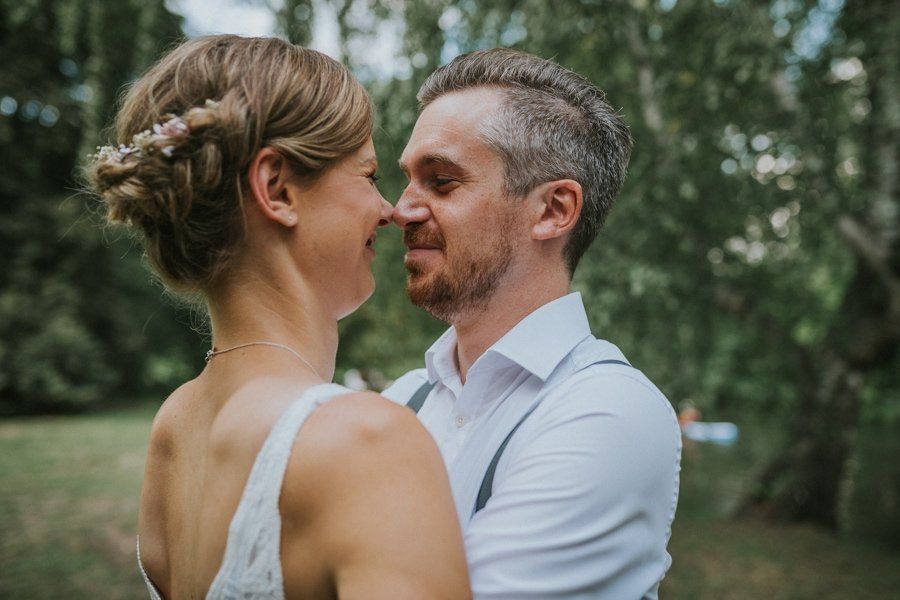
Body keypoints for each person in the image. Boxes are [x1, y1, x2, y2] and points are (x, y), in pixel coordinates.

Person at [87, 35, 470, 600]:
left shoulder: (175, 426)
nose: (389, 210)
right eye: (367, 176)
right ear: (276, 189)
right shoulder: (363, 441)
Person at [383, 48, 682, 598]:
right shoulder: (400, 400)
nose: (400, 210)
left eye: (442, 181)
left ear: (552, 210)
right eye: (406, 180)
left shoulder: (609, 413)